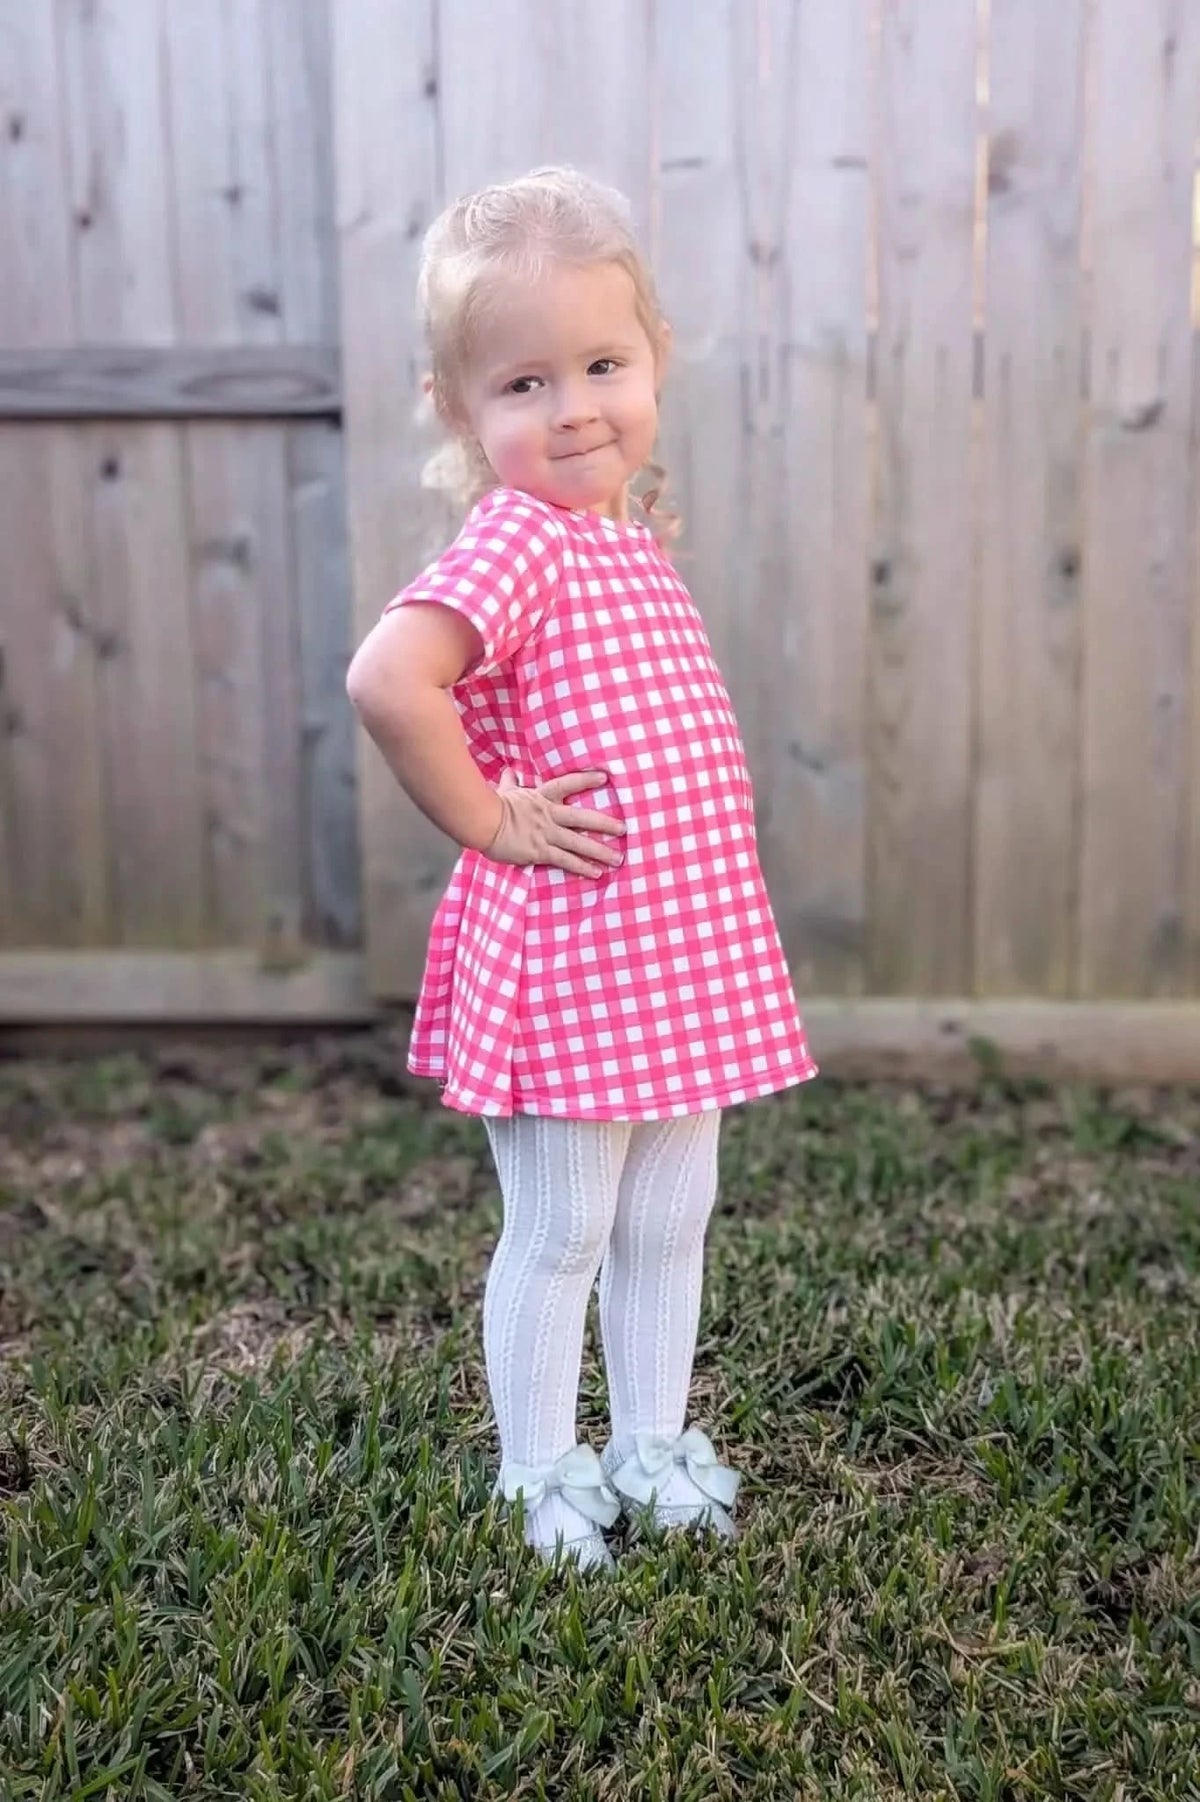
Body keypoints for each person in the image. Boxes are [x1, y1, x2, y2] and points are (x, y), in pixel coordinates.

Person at [346, 167, 817, 1573]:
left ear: (653, 358)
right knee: (562, 1226)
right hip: (576, 959)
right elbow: (389, 679)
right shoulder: (518, 541)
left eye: (603, 364)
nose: (574, 408)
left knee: (672, 1214)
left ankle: (651, 1438)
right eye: (524, 383)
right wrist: (490, 818)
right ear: (458, 409)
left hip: (676, 956)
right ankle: (539, 1467)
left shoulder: (617, 540)